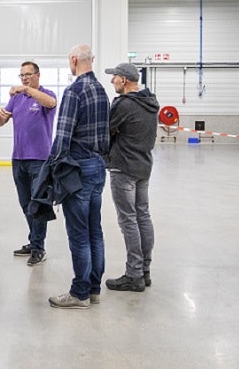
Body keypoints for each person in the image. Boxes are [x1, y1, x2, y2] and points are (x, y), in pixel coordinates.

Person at [48, 44, 110, 309]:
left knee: (79, 234)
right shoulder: (101, 90)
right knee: (95, 230)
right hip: (98, 168)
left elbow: (62, 136)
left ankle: (80, 293)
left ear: (74, 60)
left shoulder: (74, 91)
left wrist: (51, 170)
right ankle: (94, 288)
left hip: (79, 170)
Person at [103, 63, 159, 292]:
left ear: (124, 80)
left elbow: (107, 129)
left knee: (128, 220)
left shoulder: (124, 104)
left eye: (114, 77)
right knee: (142, 216)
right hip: (143, 165)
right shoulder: (150, 102)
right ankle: (144, 270)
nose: (112, 81)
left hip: (124, 167)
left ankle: (133, 274)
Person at [0, 61, 57, 266]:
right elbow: (0, 121)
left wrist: (28, 89)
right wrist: (0, 117)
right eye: (22, 76)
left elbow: (51, 103)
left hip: (39, 160)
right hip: (18, 159)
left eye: (28, 75)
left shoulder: (46, 95)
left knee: (38, 204)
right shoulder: (17, 98)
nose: (24, 78)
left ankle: (39, 248)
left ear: (38, 75)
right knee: (25, 203)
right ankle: (34, 240)